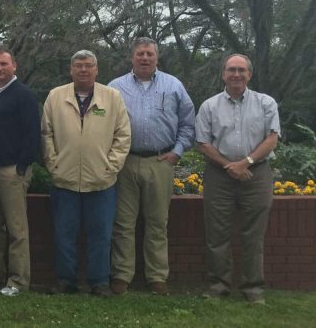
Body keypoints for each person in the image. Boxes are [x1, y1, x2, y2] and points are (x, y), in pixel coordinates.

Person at [108, 37, 195, 296]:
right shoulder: (115, 87)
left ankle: (157, 276)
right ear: (132, 57)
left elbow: (188, 124)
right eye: (140, 54)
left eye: (149, 54)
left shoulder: (174, 85)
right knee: (123, 223)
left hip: (161, 161)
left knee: (158, 222)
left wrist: (176, 153)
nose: (145, 58)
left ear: (157, 57)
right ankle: (122, 274)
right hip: (126, 162)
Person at [41, 49, 130, 296]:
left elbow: (122, 136)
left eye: (88, 65)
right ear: (71, 70)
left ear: (96, 69)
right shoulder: (55, 96)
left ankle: (99, 281)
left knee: (101, 235)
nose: (83, 69)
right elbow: (46, 134)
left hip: (101, 182)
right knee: (63, 234)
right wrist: (54, 165)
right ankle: (65, 280)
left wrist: (109, 167)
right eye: (78, 65)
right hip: (64, 180)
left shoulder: (112, 97)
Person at [196, 54, 279, 305]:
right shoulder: (209, 106)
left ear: (249, 75)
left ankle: (253, 289)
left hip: (257, 175)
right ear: (223, 74)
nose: (236, 74)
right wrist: (229, 166)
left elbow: (272, 138)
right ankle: (218, 286)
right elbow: (203, 142)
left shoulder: (266, 103)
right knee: (217, 235)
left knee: (253, 235)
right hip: (219, 176)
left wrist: (246, 163)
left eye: (241, 70)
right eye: (231, 69)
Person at [0, 49, 40, 297]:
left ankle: (17, 281)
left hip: (12, 171)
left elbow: (32, 133)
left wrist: (22, 167)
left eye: (4, 64)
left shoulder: (23, 95)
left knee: (16, 229)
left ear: (15, 65)